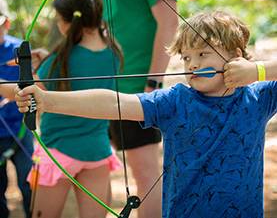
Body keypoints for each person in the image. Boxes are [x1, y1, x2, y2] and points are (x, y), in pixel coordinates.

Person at [15, 11, 277, 218]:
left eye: (203, 54)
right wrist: (47, 100)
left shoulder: (258, 98)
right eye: (186, 58)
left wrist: (259, 71)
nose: (193, 64)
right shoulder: (176, 101)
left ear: (236, 57)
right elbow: (116, 104)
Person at [72, 0, 178, 216]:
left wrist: (153, 82)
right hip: (91, 83)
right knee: (93, 169)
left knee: (145, 172)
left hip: (134, 87)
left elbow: (169, 21)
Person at [22, 0, 122, 218]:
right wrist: (47, 61)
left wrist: (34, 69)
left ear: (69, 22)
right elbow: (82, 76)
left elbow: (29, 93)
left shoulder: (59, 61)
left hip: (58, 151)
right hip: (96, 151)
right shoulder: (114, 54)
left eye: (58, 19)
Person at [0, 0, 33, 218]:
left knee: (29, 182)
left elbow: (32, 87)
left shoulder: (19, 50)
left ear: (6, 23)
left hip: (21, 130)